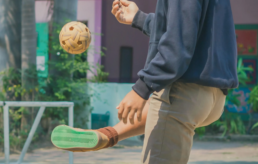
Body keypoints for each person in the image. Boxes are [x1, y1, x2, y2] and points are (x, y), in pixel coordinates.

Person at [51, 0, 238, 163]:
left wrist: (143, 87)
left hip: (182, 93)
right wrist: (138, 18)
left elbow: (177, 43)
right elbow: (184, 27)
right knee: (157, 110)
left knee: (161, 110)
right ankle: (109, 134)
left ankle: (108, 135)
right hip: (213, 95)